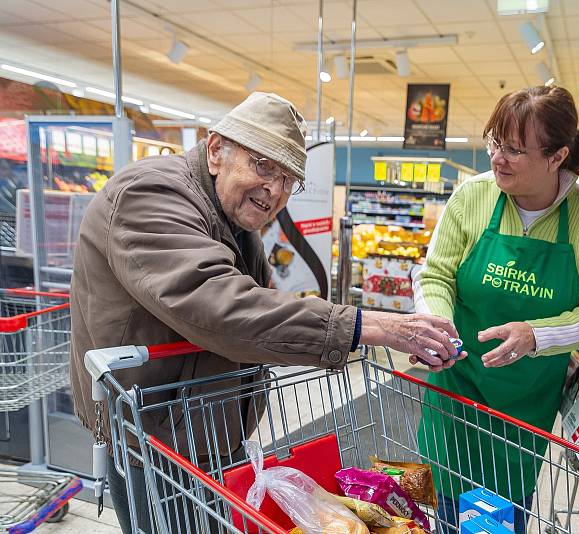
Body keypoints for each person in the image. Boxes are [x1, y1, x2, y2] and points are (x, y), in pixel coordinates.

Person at [68, 92, 463, 533]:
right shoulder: (150, 193)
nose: (275, 189)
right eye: (263, 165)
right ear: (217, 150)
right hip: (151, 435)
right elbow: (218, 304)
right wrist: (367, 327)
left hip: (203, 428)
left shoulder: (235, 221)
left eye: (288, 179)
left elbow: (265, 315)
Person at [413, 85, 579, 533]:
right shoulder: (473, 198)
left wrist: (536, 334)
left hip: (523, 407)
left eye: (513, 149)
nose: (497, 158)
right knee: (448, 511)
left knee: (500, 519)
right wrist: (435, 324)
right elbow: (435, 275)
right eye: (494, 142)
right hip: (458, 385)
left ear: (557, 156)